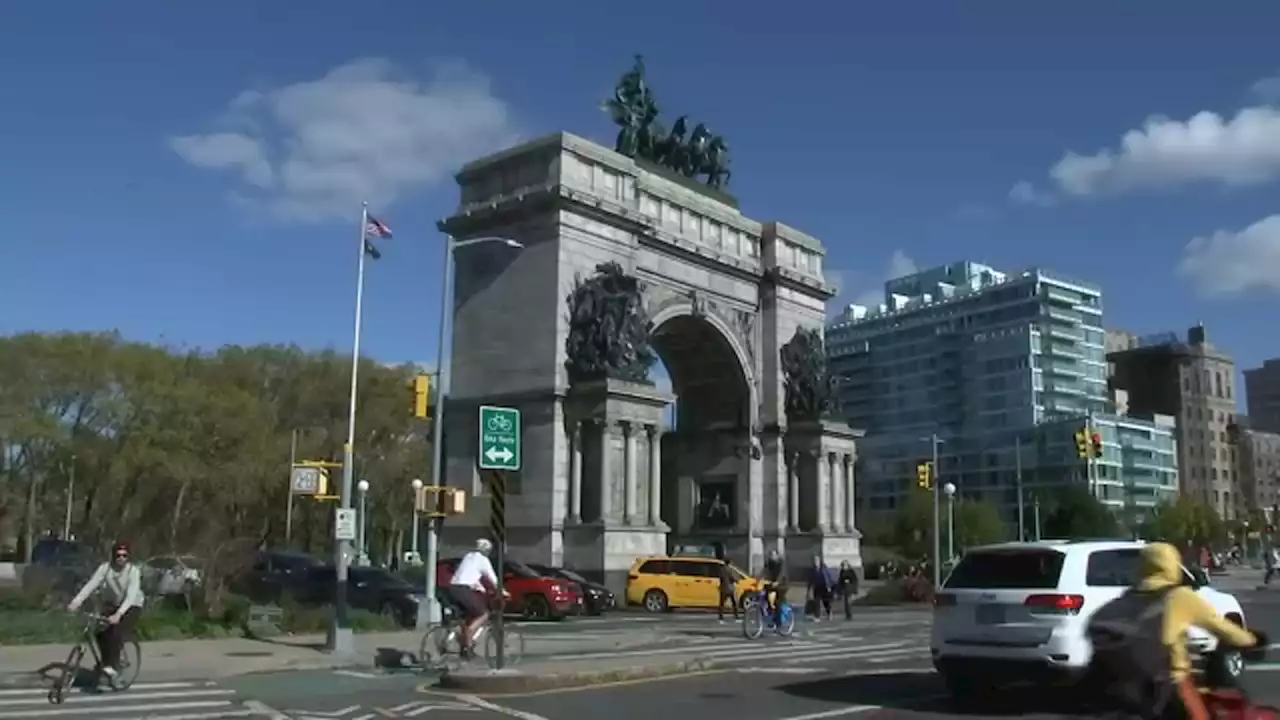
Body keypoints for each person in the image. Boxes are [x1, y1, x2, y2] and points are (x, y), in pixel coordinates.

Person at [1087, 542, 1264, 720]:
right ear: (1172, 565)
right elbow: (1222, 627)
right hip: (1169, 689)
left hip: (1123, 690)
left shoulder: (1124, 600)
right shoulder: (1179, 597)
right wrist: (1252, 640)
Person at [67, 541, 145, 679]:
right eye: (118, 555)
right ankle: (105, 662)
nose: (121, 558)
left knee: (116, 630)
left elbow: (131, 595)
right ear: (113, 556)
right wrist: (76, 602)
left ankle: (113, 665)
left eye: (124, 555)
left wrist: (119, 614)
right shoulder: (105, 568)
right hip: (112, 603)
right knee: (99, 631)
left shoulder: (133, 571)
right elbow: (91, 585)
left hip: (132, 605)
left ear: (128, 557)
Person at [446, 539, 507, 658]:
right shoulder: (483, 560)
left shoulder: (468, 556)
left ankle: (465, 647)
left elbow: (468, 574)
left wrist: (480, 587)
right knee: (484, 614)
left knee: (468, 617)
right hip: (463, 590)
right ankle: (468, 637)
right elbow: (493, 580)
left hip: (452, 588)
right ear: (487, 550)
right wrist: (503, 592)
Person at [760, 549, 788, 627]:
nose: (772, 557)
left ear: (777, 556)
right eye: (771, 555)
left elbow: (782, 573)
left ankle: (779, 624)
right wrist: (759, 579)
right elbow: (764, 571)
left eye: (773, 555)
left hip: (782, 585)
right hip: (772, 584)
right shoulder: (769, 563)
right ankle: (770, 614)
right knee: (765, 596)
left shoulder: (781, 563)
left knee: (777, 603)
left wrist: (777, 582)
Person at [807, 556, 833, 621]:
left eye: (817, 560)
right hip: (816, 587)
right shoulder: (812, 570)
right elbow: (810, 579)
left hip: (824, 587)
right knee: (816, 602)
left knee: (826, 602)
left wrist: (829, 586)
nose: (815, 562)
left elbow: (828, 577)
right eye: (814, 561)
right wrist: (809, 589)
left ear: (819, 561)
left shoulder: (823, 568)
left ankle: (829, 613)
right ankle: (817, 616)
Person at [716, 559, 738, 623]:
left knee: (721, 604)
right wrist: (736, 580)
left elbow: (720, 578)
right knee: (734, 603)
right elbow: (732, 578)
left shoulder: (722, 569)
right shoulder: (730, 569)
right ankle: (736, 617)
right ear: (729, 563)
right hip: (730, 588)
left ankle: (720, 618)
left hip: (723, 588)